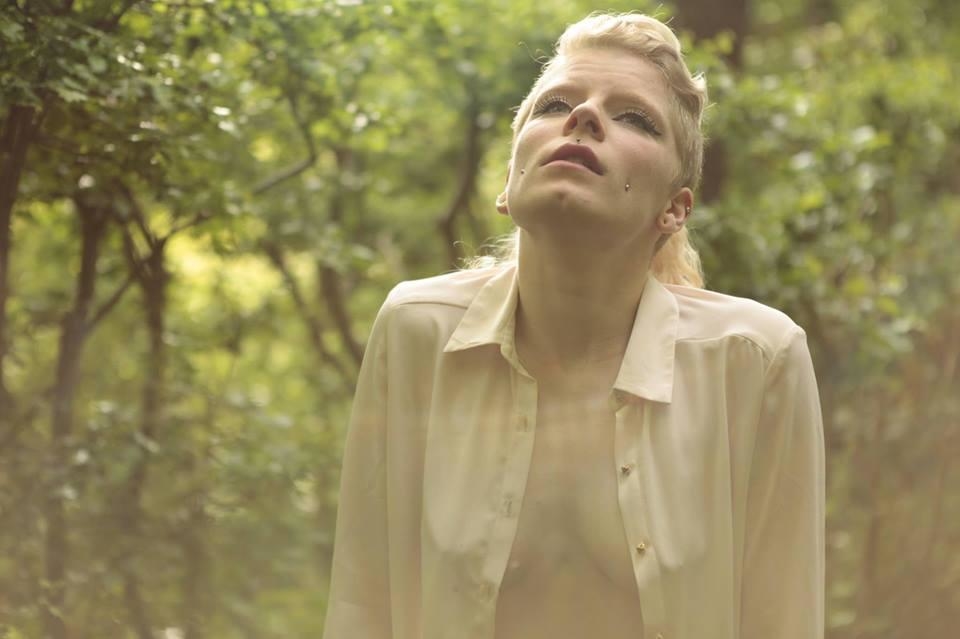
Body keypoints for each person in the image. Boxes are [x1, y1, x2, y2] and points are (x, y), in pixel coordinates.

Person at [322, 12, 824, 639]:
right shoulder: (416, 331)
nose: (583, 116)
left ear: (675, 209)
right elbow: (361, 607)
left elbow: (784, 622)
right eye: (555, 104)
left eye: (635, 118)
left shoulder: (755, 360)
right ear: (508, 183)